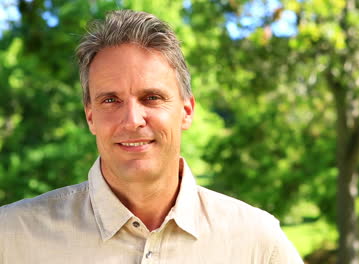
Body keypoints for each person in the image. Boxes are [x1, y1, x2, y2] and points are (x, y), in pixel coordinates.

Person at [0, 10, 302, 263]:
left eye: (152, 97)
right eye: (110, 100)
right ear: (90, 116)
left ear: (186, 111)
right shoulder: (12, 237)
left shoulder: (257, 242)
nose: (132, 120)